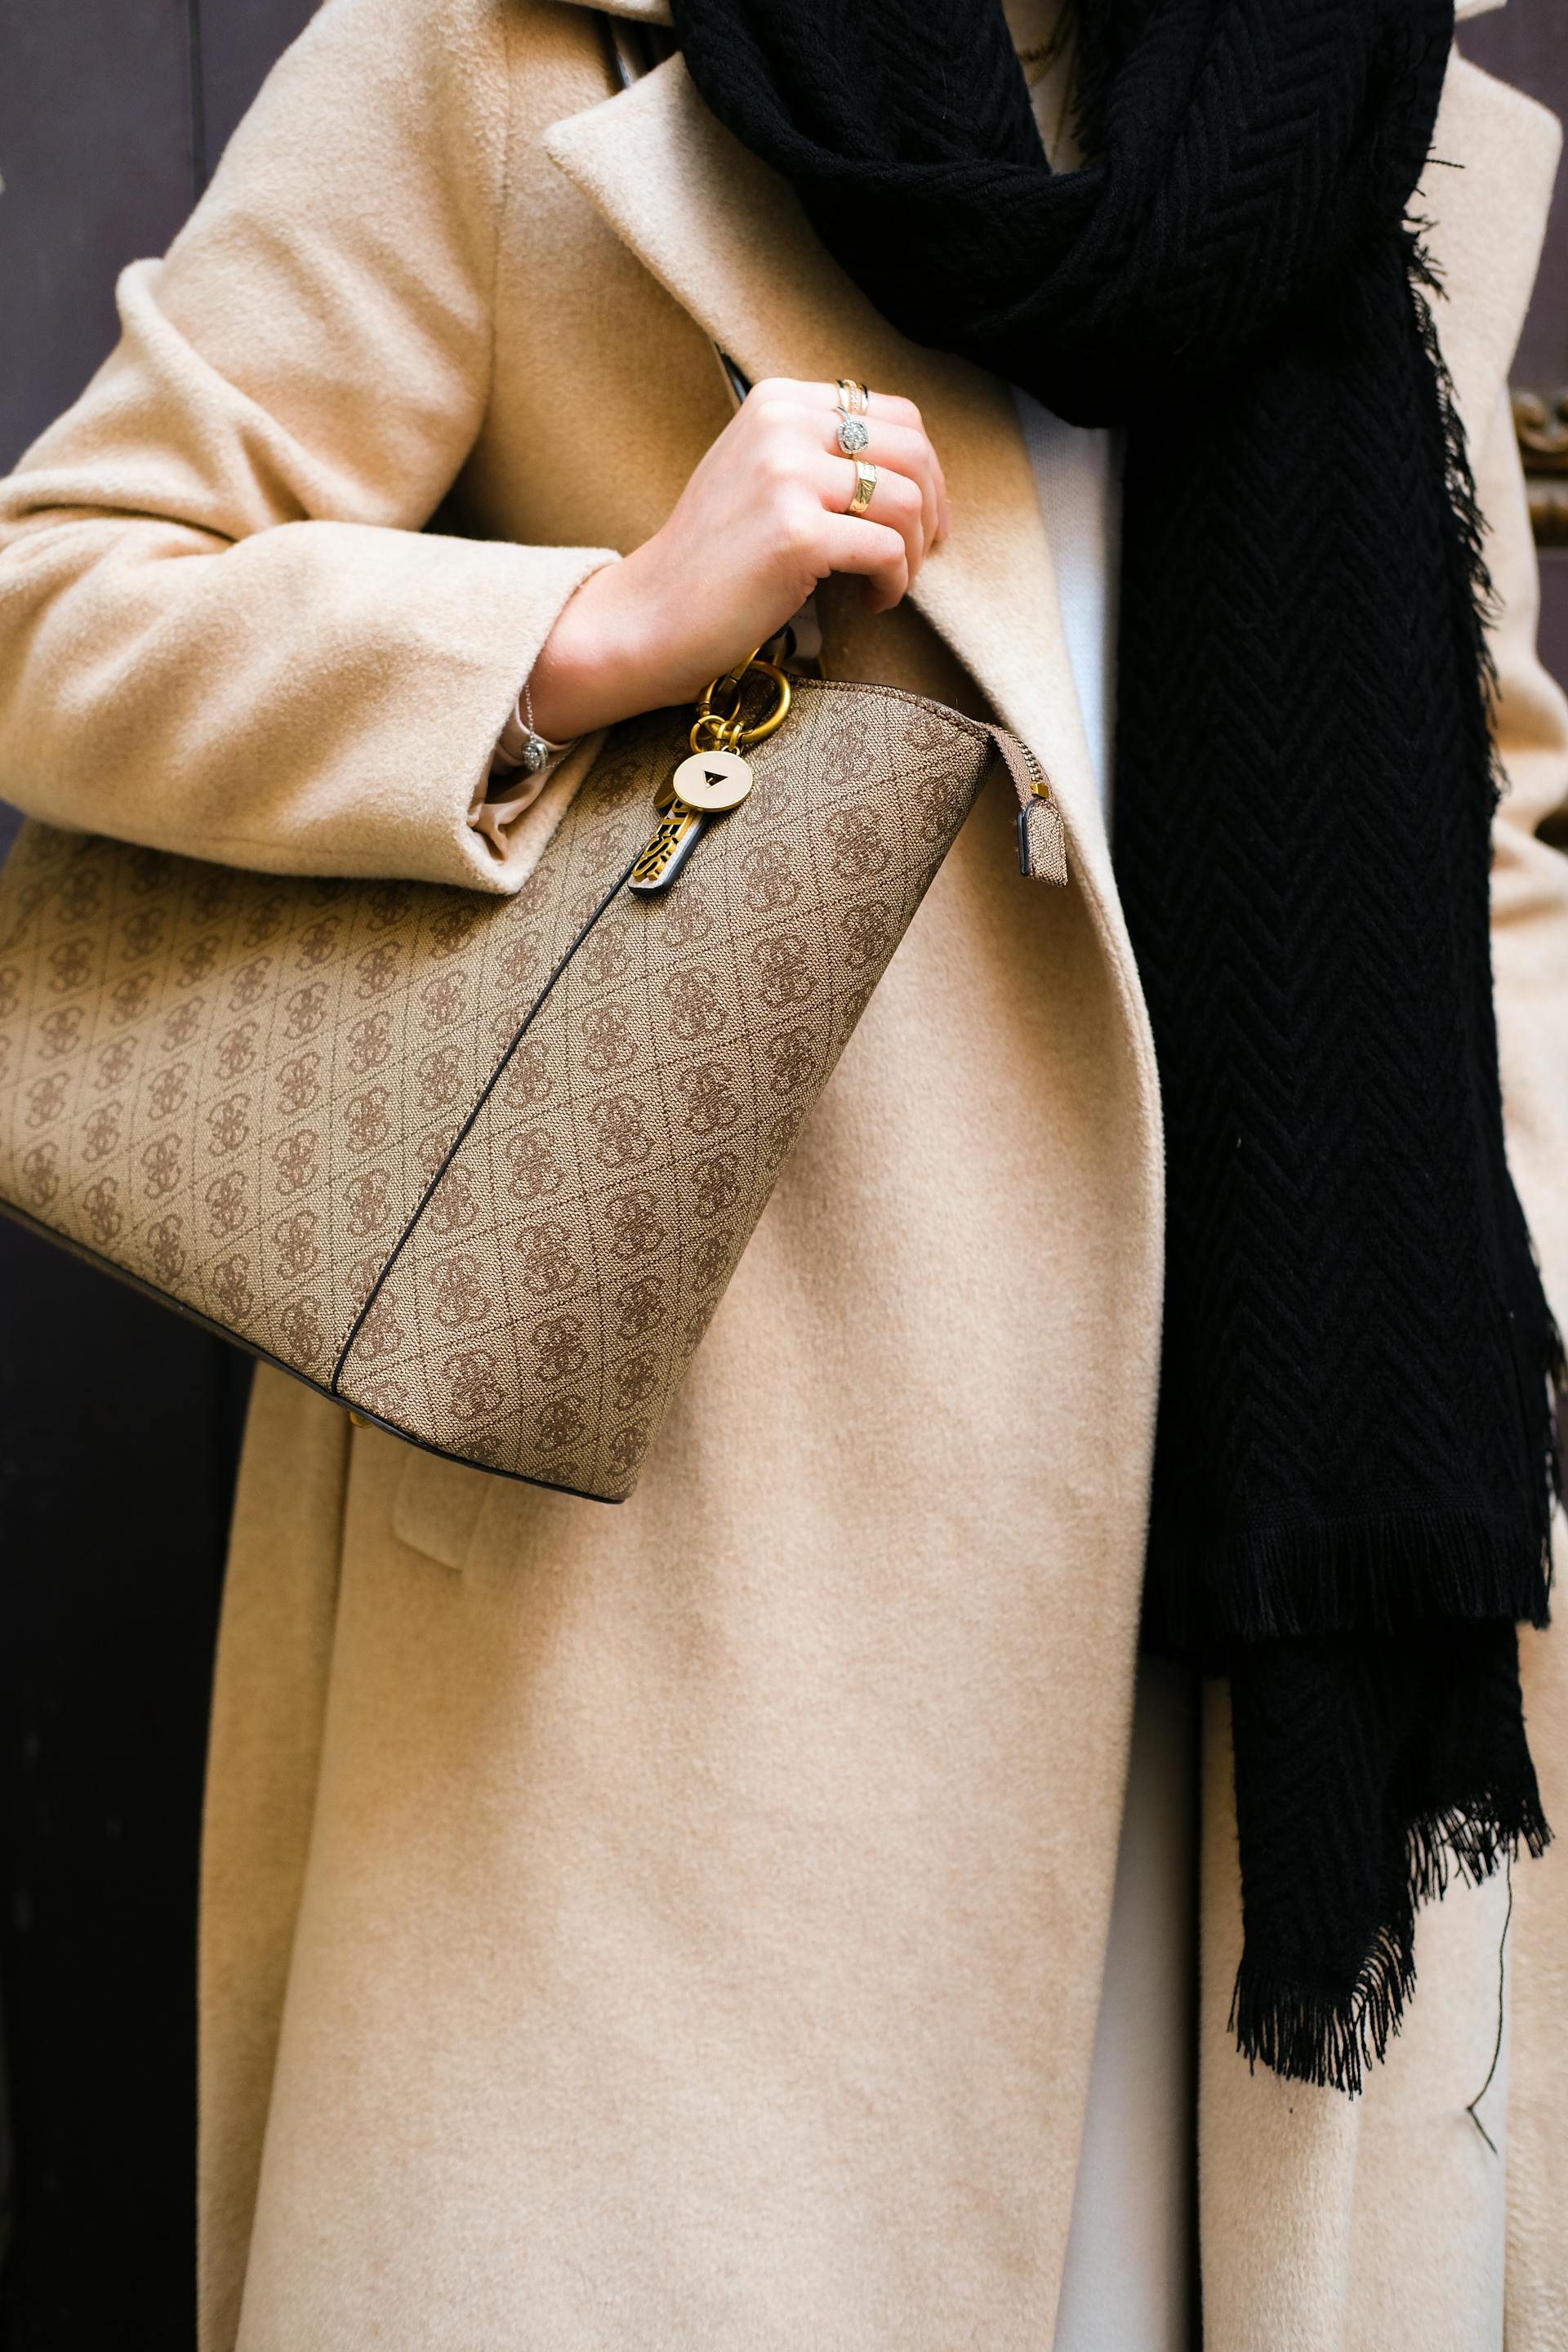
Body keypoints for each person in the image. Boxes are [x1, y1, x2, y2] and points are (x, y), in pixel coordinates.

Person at [0, 1, 1564, 2345]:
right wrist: (586, 627)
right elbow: (66, 592)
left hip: (1280, 1586)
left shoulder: (1356, 88)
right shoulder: (508, 49)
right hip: (672, 1636)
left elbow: (1490, 815)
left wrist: (1513, 1227)